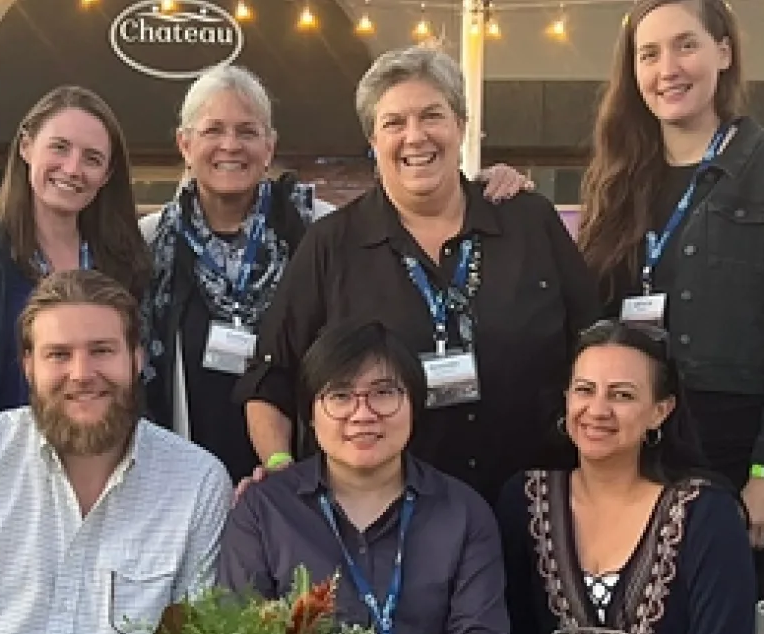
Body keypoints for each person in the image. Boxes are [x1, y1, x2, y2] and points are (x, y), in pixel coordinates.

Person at [139, 64, 537, 484]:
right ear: (185, 144)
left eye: (247, 131)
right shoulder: (150, 244)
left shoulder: (318, 229)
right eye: (213, 130)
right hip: (186, 462)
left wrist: (481, 187)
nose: (230, 145)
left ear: (270, 147)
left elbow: (415, 202)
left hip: (308, 464)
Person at [239, 45, 600, 502]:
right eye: (393, 123)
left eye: (432, 115)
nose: (415, 137)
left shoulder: (529, 221)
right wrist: (281, 471)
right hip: (383, 524)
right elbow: (271, 376)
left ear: (461, 127)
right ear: (373, 142)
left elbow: (595, 346)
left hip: (537, 509)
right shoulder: (331, 245)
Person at [571, 0, 764, 599]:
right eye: (648, 54)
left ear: (723, 52)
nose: (668, 67)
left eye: (685, 45)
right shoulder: (618, 178)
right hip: (637, 444)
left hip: (740, 450)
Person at [0, 269, 232, 634]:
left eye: (101, 350)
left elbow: (202, 626)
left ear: (137, 360)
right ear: (28, 367)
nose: (82, 373)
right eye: (58, 354)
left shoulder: (197, 484)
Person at [217, 319, 509, 632]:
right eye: (340, 396)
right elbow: (236, 624)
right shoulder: (263, 511)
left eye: (383, 393)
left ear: (414, 404)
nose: (363, 414)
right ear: (311, 415)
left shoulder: (464, 514)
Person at [0, 86, 151, 443]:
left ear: (107, 173)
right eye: (59, 147)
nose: (72, 168)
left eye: (92, 158)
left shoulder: (124, 264)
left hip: (99, 470)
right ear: (26, 146)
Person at [496, 320, 755, 634]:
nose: (598, 409)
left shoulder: (705, 514)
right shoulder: (526, 501)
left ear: (660, 411)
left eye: (622, 395)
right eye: (584, 390)